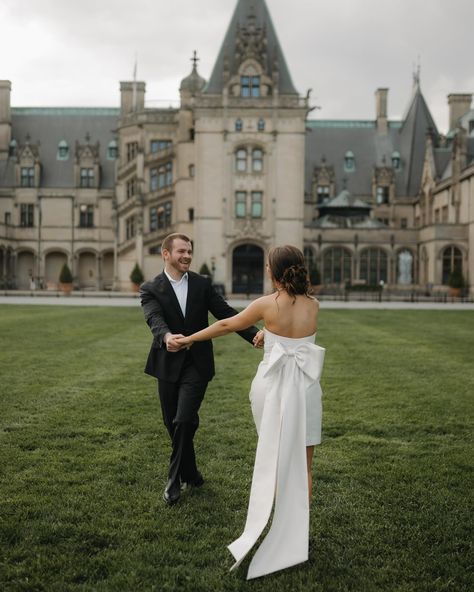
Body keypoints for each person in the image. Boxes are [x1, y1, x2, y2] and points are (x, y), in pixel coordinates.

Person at [176, 245, 325, 579]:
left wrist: (189, 339)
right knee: (304, 466)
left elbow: (226, 324)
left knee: (273, 457)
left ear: (272, 271)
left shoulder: (266, 305)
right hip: (306, 389)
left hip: (270, 387)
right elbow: (294, 335)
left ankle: (275, 526)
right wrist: (269, 337)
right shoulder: (314, 306)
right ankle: (295, 533)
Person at [139, 233, 261, 506]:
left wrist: (253, 334)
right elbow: (153, 318)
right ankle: (191, 473)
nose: (187, 256)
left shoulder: (202, 284)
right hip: (167, 363)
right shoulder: (150, 288)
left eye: (190, 251)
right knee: (174, 423)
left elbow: (227, 314)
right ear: (166, 254)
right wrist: (166, 337)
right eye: (181, 251)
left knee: (183, 419)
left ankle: (173, 480)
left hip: (197, 363)